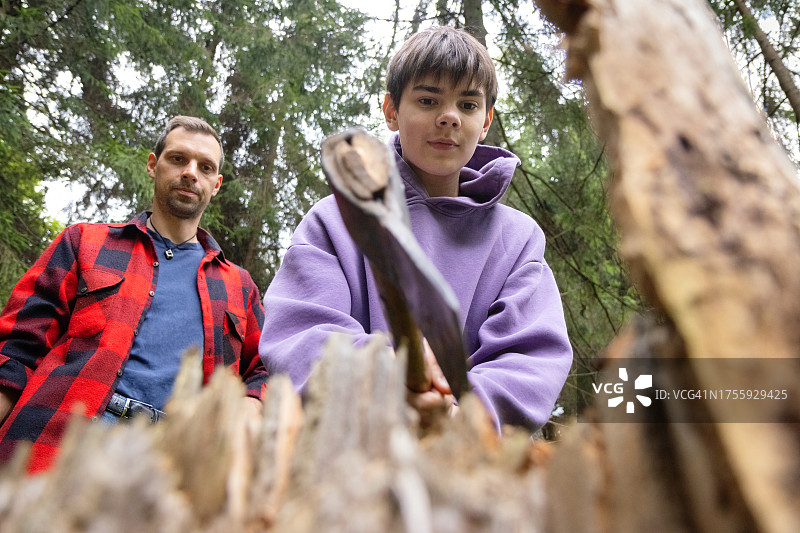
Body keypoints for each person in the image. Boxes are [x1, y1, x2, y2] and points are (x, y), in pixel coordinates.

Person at [259, 26, 572, 432]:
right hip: (347, 467)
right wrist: (383, 380)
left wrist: (462, 419)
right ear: (391, 111)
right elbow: (300, 332)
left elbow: (530, 359)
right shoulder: (334, 221)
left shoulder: (518, 240)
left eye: (468, 104)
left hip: (469, 473)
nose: (449, 117)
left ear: (486, 121)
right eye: (428, 100)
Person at [0, 116, 267, 472]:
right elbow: (16, 348)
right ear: (153, 165)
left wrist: (251, 405)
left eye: (205, 167)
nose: (190, 172)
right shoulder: (84, 242)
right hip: (62, 446)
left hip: (176, 465)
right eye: (178, 159)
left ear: (216, 185)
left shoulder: (240, 285)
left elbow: (266, 368)